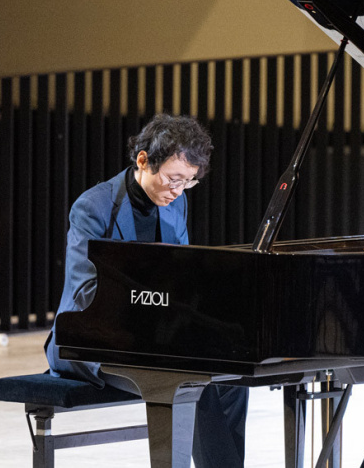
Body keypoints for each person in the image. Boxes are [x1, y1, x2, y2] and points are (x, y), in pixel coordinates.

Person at [45, 113, 248, 467]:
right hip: (90, 340)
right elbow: (84, 291)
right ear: (143, 160)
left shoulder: (176, 203)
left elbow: (182, 276)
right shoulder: (94, 207)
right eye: (173, 179)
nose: (178, 190)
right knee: (188, 382)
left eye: (188, 182)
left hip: (154, 340)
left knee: (233, 378)